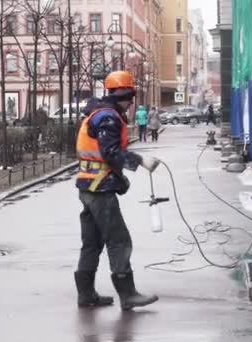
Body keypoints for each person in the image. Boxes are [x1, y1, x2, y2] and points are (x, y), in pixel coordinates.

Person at [74, 70, 160, 310]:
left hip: (88, 185)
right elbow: (110, 152)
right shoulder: (108, 117)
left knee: (92, 242)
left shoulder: (98, 113)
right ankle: (128, 294)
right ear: (120, 94)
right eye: (130, 96)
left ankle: (86, 294)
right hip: (99, 188)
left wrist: (120, 179)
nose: (132, 101)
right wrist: (139, 160)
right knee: (119, 240)